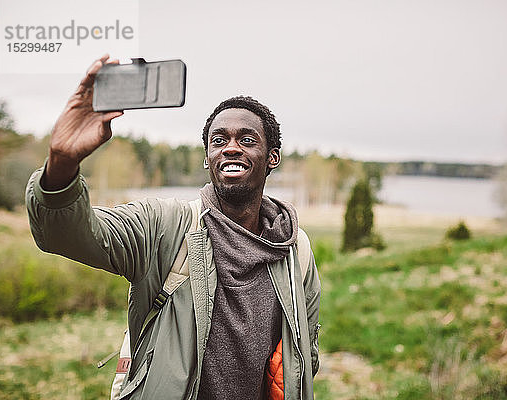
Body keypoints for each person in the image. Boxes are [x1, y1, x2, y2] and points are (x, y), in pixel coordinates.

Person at [25, 55, 321, 400]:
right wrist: (62, 162)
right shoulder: (166, 226)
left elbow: (303, 352)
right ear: (207, 157)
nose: (232, 149)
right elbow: (68, 235)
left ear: (273, 157)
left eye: (248, 140)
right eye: (219, 140)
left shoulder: (294, 249)